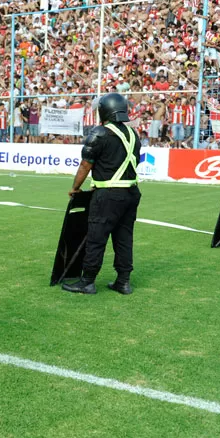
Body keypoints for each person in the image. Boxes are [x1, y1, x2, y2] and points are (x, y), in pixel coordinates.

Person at [63, 93, 142, 295]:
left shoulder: (100, 133)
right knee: (124, 238)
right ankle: (123, 281)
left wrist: (75, 187)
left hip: (108, 195)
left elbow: (85, 165)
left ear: (103, 111)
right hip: (131, 192)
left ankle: (87, 281)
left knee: (96, 237)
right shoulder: (133, 134)